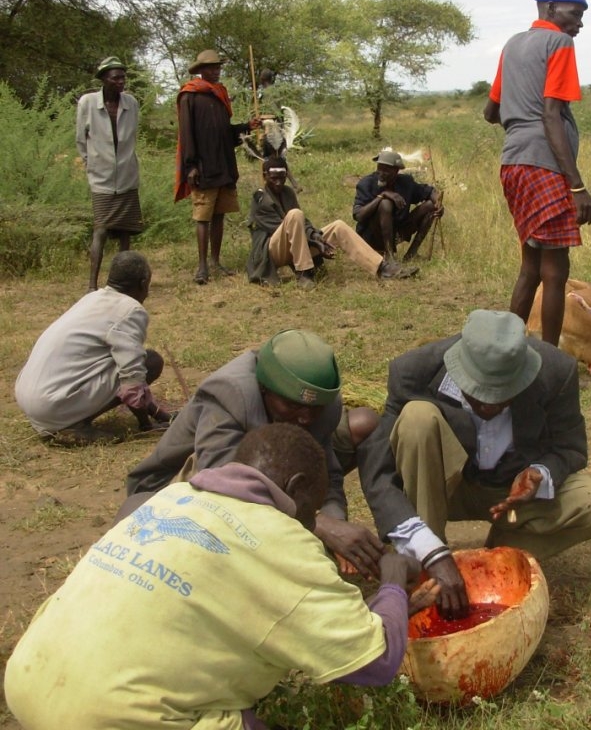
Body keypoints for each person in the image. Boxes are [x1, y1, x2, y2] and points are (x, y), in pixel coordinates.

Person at [4, 424, 427, 730]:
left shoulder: (170, 498)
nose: (310, 521)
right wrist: (392, 581)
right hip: (108, 718)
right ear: (297, 487)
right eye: (312, 507)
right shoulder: (280, 540)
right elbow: (375, 663)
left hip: (28, 682)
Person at [358, 309, 591, 619]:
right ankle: (428, 567)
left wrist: (540, 472)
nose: (491, 405)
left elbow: (570, 448)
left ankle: (497, 558)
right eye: (480, 394)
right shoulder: (414, 372)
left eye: (504, 395)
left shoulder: (555, 371)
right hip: (443, 488)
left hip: (510, 498)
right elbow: (378, 472)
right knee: (417, 418)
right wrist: (432, 552)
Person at [126, 328, 387, 579]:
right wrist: (318, 525)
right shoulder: (230, 394)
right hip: (180, 489)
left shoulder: (319, 405)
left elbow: (327, 473)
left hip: (274, 470)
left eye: (314, 408)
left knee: (362, 422)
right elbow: (222, 486)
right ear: (264, 388)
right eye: (292, 406)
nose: (306, 418)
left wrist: (336, 520)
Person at [483, 0, 591, 346]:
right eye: (575, 12)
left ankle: (507, 349)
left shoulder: (514, 45)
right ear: (550, 8)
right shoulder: (559, 43)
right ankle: (548, 358)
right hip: (544, 165)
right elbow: (551, 115)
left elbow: (490, 111)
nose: (579, 22)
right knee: (555, 271)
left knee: (530, 266)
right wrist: (576, 185)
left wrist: (519, 124)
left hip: (513, 162)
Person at [14, 251, 171, 445]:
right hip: (53, 404)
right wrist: (146, 425)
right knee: (151, 361)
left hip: (30, 398)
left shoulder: (92, 298)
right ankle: (74, 426)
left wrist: (160, 414)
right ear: (143, 282)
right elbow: (132, 377)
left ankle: (63, 420)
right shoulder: (131, 310)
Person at [247, 157, 418, 289]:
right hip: (272, 251)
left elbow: (302, 224)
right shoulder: (260, 198)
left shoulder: (287, 192)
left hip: (296, 245)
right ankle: (304, 272)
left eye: (282, 178)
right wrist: (314, 239)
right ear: (265, 176)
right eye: (274, 178)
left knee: (338, 226)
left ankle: (382, 268)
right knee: (294, 214)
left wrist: (317, 238)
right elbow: (284, 227)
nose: (278, 182)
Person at [174, 48, 259, 285]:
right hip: (203, 166)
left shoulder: (220, 94)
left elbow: (225, 133)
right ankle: (202, 267)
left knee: (219, 215)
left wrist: (247, 127)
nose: (216, 70)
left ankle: (215, 261)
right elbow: (186, 134)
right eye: (211, 67)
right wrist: (190, 165)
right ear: (200, 71)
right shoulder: (189, 95)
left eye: (218, 67)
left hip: (223, 164)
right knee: (203, 216)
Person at [77, 56, 144, 293]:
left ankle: (123, 282)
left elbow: (132, 135)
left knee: (126, 230)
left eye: (123, 77)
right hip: (101, 177)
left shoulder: (131, 103)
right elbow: (80, 140)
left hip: (126, 174)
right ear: (104, 79)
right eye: (116, 78)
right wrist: (92, 163)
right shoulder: (87, 103)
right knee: (101, 229)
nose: (121, 82)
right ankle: (92, 284)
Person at [352, 149, 443, 262]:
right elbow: (358, 216)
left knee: (430, 206)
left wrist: (438, 204)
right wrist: (382, 196)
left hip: (396, 233)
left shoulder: (406, 183)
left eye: (386, 170)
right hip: (371, 236)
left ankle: (411, 254)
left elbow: (430, 192)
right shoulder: (367, 183)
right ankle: (389, 256)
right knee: (385, 203)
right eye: (379, 168)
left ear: (396, 171)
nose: (381, 173)